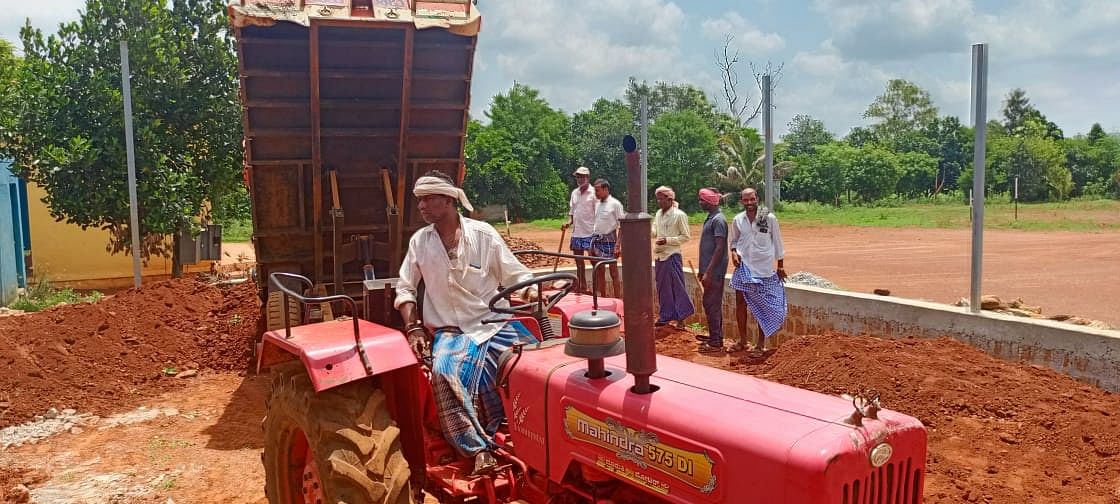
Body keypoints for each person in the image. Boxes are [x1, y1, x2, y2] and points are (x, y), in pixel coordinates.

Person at [394, 170, 540, 475]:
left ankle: (533, 437)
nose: (421, 206)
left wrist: (533, 290)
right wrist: (414, 327)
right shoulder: (420, 242)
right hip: (452, 331)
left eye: (428, 199)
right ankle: (478, 450)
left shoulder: (483, 234)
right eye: (419, 200)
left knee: (538, 365)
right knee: (444, 373)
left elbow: (517, 275)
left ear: (448, 200)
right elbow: (405, 288)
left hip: (494, 323)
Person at [728, 188, 787, 358]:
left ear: (757, 199)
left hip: (764, 270)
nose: (749, 203)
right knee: (740, 303)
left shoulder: (768, 218)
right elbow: (734, 240)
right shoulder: (738, 219)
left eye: (752, 199)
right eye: (745, 200)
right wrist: (733, 252)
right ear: (741, 201)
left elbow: (778, 243)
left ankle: (760, 344)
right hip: (744, 267)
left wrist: (780, 266)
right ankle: (743, 340)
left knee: (763, 306)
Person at [652, 185, 693, 328]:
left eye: (661, 199)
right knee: (662, 287)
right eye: (657, 199)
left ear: (669, 199)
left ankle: (681, 318)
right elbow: (655, 230)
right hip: (659, 255)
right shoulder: (658, 214)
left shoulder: (679, 215)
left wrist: (668, 240)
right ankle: (665, 316)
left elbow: (685, 236)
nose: (659, 202)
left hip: (672, 254)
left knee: (677, 286)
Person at [696, 188, 729, 353]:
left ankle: (716, 340)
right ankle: (714, 335)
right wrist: (703, 270)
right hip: (709, 269)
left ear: (709, 201)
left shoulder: (718, 220)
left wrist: (709, 271)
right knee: (709, 303)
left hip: (715, 271)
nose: (700, 203)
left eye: (702, 200)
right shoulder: (712, 218)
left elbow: (719, 248)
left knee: (712, 303)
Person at [561, 166, 596, 293]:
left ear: (588, 177)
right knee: (579, 262)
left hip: (590, 232)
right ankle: (582, 287)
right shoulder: (574, 193)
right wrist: (568, 222)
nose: (579, 179)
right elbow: (572, 211)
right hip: (577, 232)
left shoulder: (594, 193)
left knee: (594, 262)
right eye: (578, 177)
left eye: (582, 176)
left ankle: (596, 289)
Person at [590, 178, 624, 298]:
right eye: (595, 191)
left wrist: (618, 246)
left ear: (605, 189)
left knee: (614, 273)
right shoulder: (597, 204)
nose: (596, 193)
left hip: (611, 241)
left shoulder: (615, 204)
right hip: (598, 240)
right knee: (600, 271)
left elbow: (622, 226)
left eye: (598, 190)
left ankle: (617, 299)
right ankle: (603, 298)